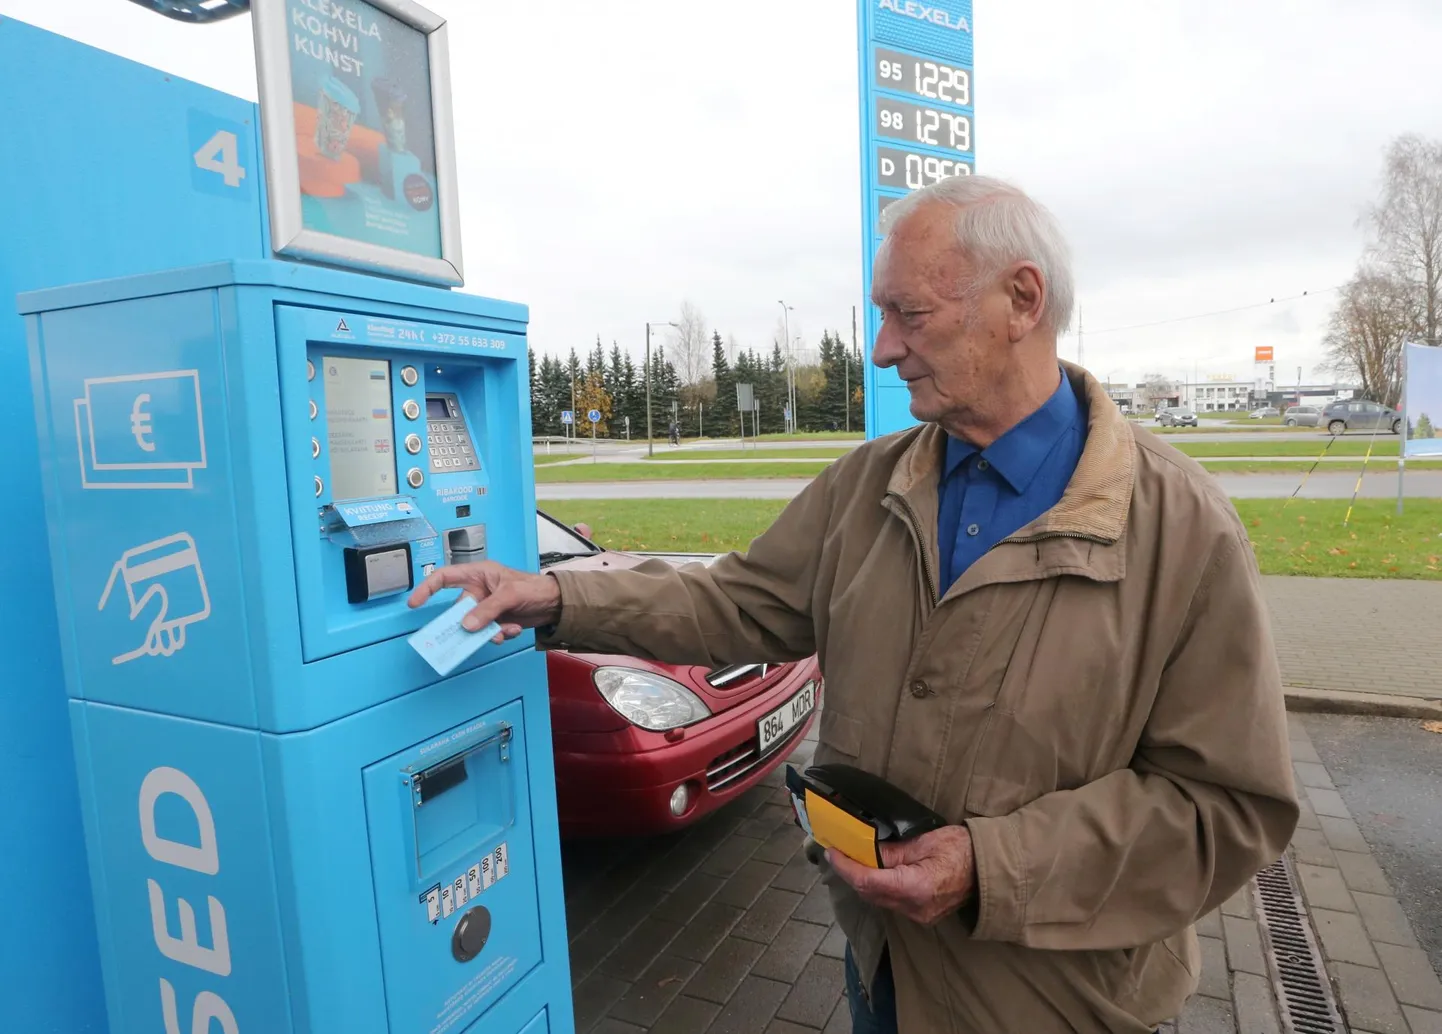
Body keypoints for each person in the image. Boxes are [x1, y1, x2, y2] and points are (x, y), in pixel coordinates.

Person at [408, 175, 1299, 1033]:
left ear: (1022, 300)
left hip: (1061, 1005)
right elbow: (735, 603)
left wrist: (990, 868)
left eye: (909, 313)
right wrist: (556, 595)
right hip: (883, 970)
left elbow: (1224, 806)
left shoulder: (1182, 529)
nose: (880, 348)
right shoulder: (870, 486)